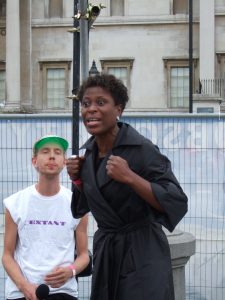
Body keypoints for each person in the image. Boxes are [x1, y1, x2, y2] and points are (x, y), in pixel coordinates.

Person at [66, 74, 188, 300]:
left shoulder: (142, 148)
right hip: (107, 254)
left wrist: (131, 177)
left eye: (101, 102)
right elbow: (83, 208)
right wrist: (78, 181)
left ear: (118, 109)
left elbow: (177, 201)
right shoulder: (89, 154)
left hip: (143, 254)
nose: (91, 109)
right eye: (86, 103)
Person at [2, 135, 89, 300]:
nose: (51, 156)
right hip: (21, 292)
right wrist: (24, 286)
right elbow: (7, 255)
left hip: (63, 292)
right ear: (34, 161)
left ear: (64, 162)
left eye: (57, 152)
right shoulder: (15, 203)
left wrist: (71, 271)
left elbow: (84, 255)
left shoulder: (78, 205)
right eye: (45, 151)